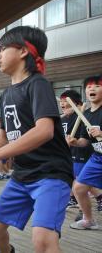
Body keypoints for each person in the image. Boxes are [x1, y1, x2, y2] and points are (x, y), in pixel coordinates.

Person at [0, 26, 73, 253]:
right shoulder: (5, 94)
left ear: (23, 51)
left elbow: (44, 130)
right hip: (22, 176)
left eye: (3, 48)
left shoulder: (38, 84)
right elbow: (6, 135)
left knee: (43, 241)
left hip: (51, 174)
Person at [66, 75, 102, 230]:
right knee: (79, 188)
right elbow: (85, 141)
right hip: (98, 157)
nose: (92, 89)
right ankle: (88, 220)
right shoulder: (86, 114)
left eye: (97, 86)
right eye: (88, 87)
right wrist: (75, 142)